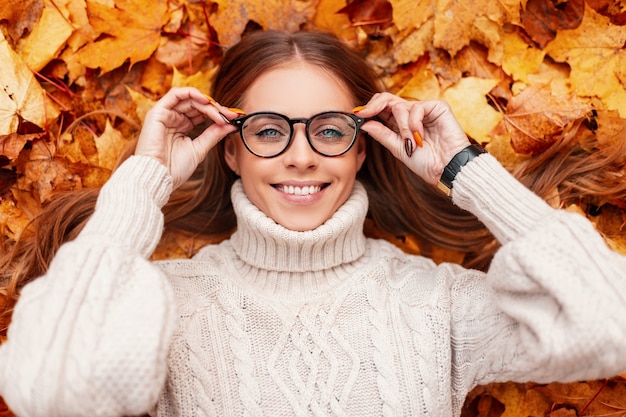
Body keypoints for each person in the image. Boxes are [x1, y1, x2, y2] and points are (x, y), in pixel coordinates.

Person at [0, 29, 625, 417]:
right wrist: (143, 183)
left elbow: (612, 322)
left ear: (362, 149)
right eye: (268, 131)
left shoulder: (436, 303)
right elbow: (50, 389)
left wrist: (466, 171)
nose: (302, 155)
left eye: (330, 130)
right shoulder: (168, 304)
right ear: (231, 149)